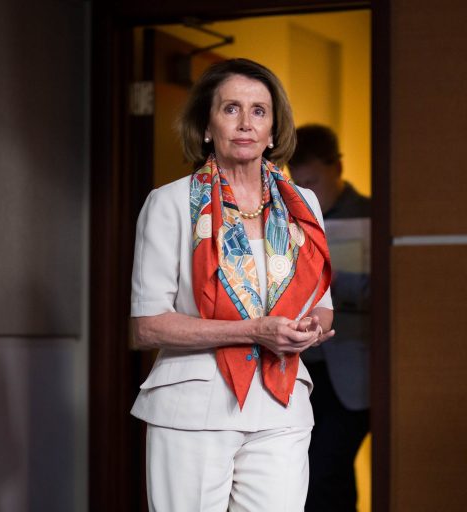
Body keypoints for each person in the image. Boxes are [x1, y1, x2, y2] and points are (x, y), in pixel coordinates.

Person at [129, 58, 336, 511]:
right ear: (207, 125)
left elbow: (321, 302)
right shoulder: (168, 203)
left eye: (259, 111)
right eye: (231, 109)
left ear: (273, 128)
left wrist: (312, 328)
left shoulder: (304, 204)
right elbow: (147, 327)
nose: (246, 123)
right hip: (193, 407)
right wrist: (255, 331)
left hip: (282, 403)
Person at [288, 124, 372, 512]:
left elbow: (398, 294)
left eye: (314, 180)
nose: (308, 190)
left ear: (337, 167)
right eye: (299, 181)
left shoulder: (373, 214)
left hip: (351, 369)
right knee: (304, 475)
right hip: (301, 369)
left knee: (328, 470)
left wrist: (334, 286)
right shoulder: (288, 221)